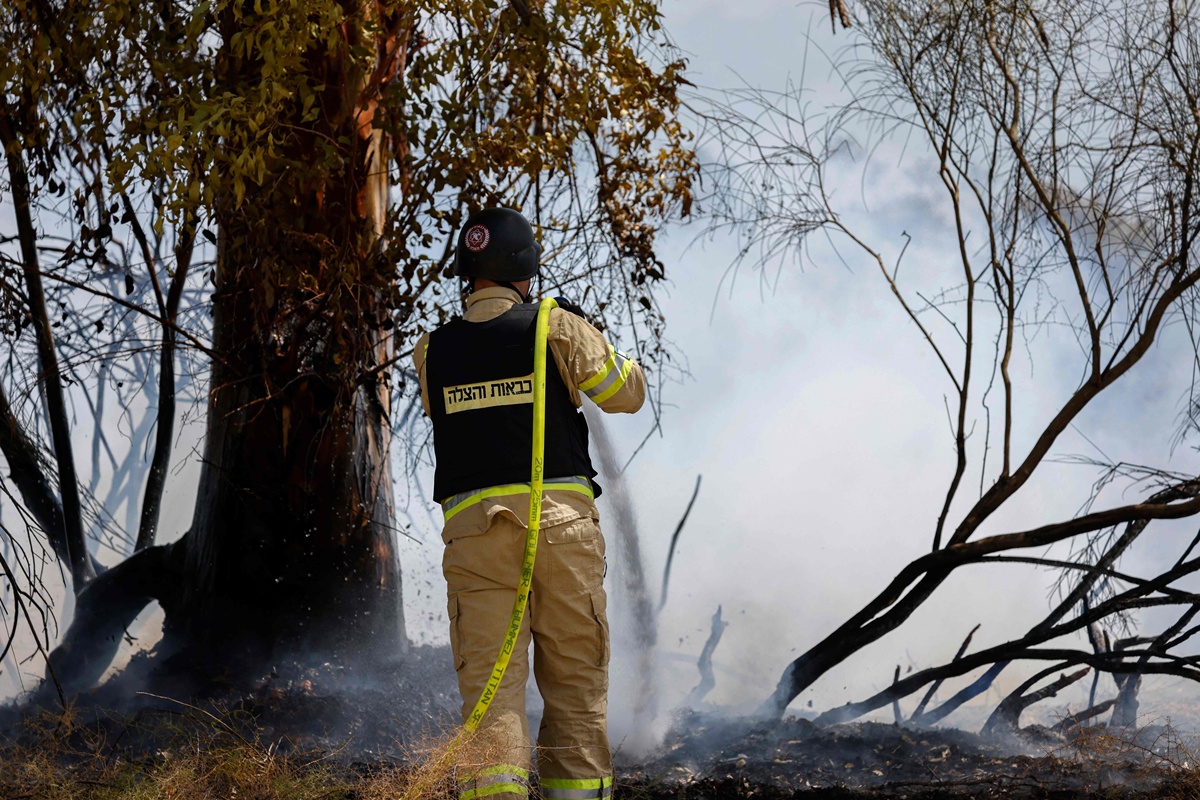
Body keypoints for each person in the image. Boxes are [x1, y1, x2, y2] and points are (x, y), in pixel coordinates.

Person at [413, 207, 646, 800]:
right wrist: (589, 334)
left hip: (474, 539)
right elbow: (625, 395)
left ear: (469, 273)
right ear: (526, 268)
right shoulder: (555, 327)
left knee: (491, 695)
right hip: (559, 530)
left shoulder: (430, 351)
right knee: (574, 681)